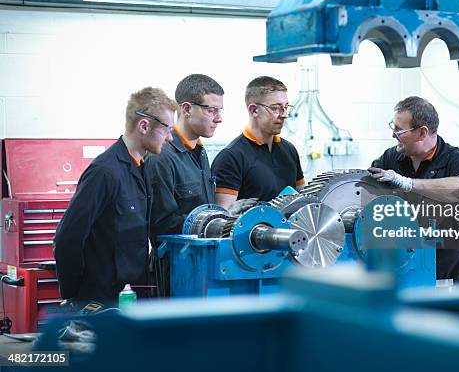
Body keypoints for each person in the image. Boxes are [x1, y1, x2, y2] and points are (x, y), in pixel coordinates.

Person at [54, 87, 177, 305]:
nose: (170, 138)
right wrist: (74, 295)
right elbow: (68, 237)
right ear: (144, 126)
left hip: (130, 294)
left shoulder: (142, 167)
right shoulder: (105, 172)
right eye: (167, 130)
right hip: (101, 300)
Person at [368, 96, 459, 282]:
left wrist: (407, 183)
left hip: (454, 267)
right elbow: (367, 191)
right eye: (393, 127)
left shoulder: (457, 161)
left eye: (399, 130)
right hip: (407, 263)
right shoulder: (391, 158)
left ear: (422, 133)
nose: (393, 135)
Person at [145, 74, 255, 241]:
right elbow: (163, 225)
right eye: (211, 110)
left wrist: (226, 215)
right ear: (187, 109)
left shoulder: (200, 153)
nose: (219, 119)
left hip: (202, 258)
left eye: (220, 110)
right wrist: (218, 222)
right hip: (175, 262)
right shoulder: (161, 158)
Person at [212, 76, 305, 207]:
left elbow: (303, 200)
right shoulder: (231, 157)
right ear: (254, 110)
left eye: (285, 107)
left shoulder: (289, 150)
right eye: (276, 108)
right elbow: (224, 217)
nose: (284, 115)